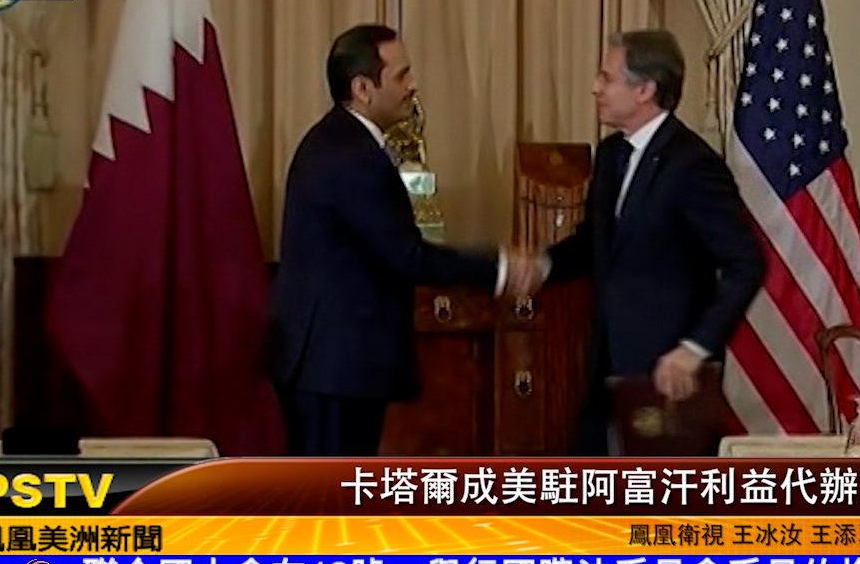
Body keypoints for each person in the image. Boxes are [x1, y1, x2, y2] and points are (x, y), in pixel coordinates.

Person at [265, 24, 539, 456]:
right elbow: (406, 256)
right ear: (363, 89)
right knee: (332, 495)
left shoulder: (339, 140)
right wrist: (501, 267)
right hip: (335, 367)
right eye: (401, 75)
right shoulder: (351, 155)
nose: (412, 85)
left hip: (330, 364)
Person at [524, 29, 766, 456]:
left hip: (667, 377)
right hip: (605, 369)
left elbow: (745, 263)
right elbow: (594, 244)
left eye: (606, 77)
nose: (595, 88)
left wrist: (695, 348)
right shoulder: (610, 155)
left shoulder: (693, 164)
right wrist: (541, 265)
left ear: (644, 90)